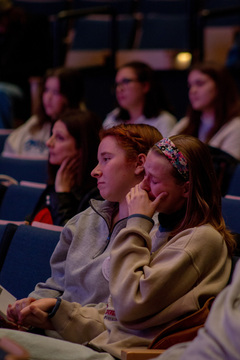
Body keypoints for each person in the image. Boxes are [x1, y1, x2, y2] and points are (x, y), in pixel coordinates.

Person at [3, 135, 235, 360]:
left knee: (5, 343)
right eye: (144, 175)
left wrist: (136, 223)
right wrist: (56, 312)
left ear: (186, 189)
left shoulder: (202, 240)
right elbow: (113, 315)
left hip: (124, 355)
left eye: (153, 180)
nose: (142, 187)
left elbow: (129, 306)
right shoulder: (160, 232)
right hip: (98, 345)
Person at [7, 124, 162, 318]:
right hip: (54, 325)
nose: (95, 171)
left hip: (94, 340)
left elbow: (123, 312)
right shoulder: (84, 219)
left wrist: (56, 313)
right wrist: (31, 304)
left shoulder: (159, 232)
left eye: (106, 159)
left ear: (140, 163)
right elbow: (56, 285)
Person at [24, 108, 102, 226]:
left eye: (60, 138)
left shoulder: (97, 196)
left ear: (83, 148)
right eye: (52, 135)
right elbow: (31, 224)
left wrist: (63, 194)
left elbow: (69, 239)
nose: (49, 143)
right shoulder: (56, 180)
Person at [2, 67, 85, 158]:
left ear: (70, 96)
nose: (48, 98)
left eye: (56, 92)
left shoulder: (79, 126)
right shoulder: (36, 121)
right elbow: (9, 149)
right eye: (46, 90)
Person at [170, 62, 240, 160]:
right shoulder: (186, 123)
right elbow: (164, 154)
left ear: (220, 86)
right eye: (190, 85)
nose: (192, 91)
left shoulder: (235, 126)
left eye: (200, 84)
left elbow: (228, 171)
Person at [102, 61, 177, 136]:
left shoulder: (163, 121)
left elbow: (169, 148)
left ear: (145, 86)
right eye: (117, 84)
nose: (119, 89)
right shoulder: (113, 118)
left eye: (126, 81)